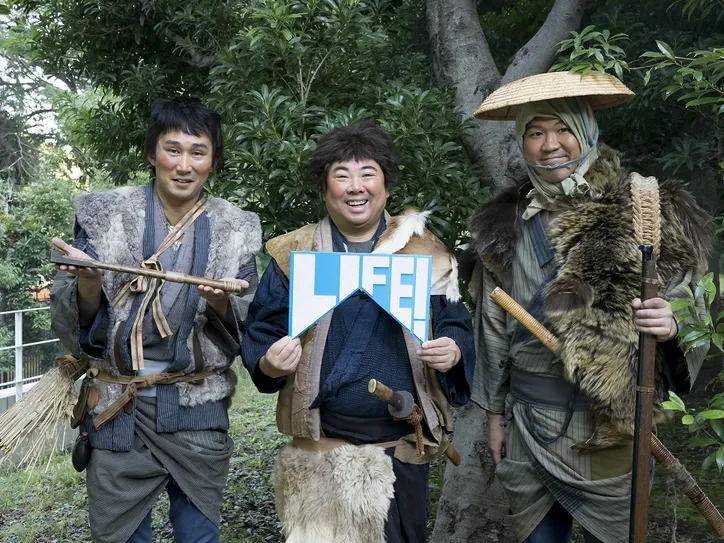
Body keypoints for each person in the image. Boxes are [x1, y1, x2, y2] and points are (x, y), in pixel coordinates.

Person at [466, 71, 711, 542]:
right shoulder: (504, 225)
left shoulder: (647, 207)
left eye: (563, 130)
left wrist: (672, 320)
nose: (550, 144)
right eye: (535, 132)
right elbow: (492, 325)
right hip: (529, 426)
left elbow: (691, 294)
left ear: (586, 131)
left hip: (612, 423)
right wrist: (495, 417)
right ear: (522, 142)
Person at [241, 120, 475, 543]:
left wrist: (453, 349)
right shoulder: (293, 251)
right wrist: (269, 360)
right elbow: (262, 328)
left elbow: (455, 320)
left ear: (386, 184)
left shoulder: (424, 248)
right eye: (341, 174)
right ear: (324, 187)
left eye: (368, 173)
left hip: (402, 444)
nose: (355, 186)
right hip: (320, 447)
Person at [50, 97, 261, 543]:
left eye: (198, 152)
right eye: (173, 149)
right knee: (121, 536)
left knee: (199, 533)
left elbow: (249, 324)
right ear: (152, 153)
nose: (184, 165)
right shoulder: (103, 214)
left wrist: (221, 302)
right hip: (115, 406)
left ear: (213, 161)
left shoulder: (236, 227)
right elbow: (76, 331)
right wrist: (89, 282)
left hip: (198, 405)